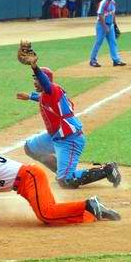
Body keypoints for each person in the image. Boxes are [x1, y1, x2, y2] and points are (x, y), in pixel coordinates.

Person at [0, 130, 120, 227]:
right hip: (30, 178)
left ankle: (89, 205)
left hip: (29, 179)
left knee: (46, 215)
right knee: (50, 212)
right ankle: (91, 210)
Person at [15, 56, 121, 189]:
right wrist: (30, 96)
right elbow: (42, 97)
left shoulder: (52, 89)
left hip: (69, 140)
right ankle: (61, 171)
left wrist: (34, 67)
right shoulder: (48, 94)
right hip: (54, 136)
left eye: (37, 79)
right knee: (30, 149)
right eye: (34, 79)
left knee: (66, 181)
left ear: (45, 80)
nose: (35, 82)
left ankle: (107, 170)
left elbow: (46, 86)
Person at [89, 0, 126, 67]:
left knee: (113, 42)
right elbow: (100, 15)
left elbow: (113, 14)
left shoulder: (113, 3)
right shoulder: (103, 3)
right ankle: (92, 60)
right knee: (98, 42)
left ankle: (116, 60)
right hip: (101, 25)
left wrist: (115, 25)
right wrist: (105, 27)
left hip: (110, 25)